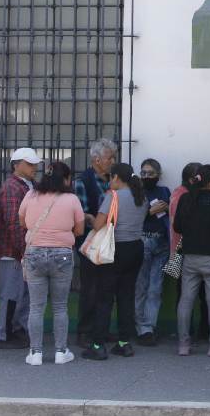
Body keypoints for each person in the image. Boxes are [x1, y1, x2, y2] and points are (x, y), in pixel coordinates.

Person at [18, 161, 85, 365]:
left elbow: (22, 221)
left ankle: (35, 353)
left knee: (36, 307)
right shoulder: (71, 199)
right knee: (59, 307)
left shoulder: (30, 195)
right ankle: (60, 352)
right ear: (65, 179)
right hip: (62, 255)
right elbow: (80, 230)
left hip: (35, 253)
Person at [82, 162, 146, 361]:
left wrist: (90, 218)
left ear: (117, 177)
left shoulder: (113, 196)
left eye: (111, 177)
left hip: (114, 250)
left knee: (104, 298)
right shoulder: (141, 197)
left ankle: (98, 345)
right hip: (135, 248)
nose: (110, 181)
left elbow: (101, 224)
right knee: (127, 297)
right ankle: (124, 343)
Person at [174, 163, 210, 357]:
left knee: (186, 300)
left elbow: (178, 227)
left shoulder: (185, 198)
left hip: (190, 256)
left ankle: (183, 344)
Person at [0, 147, 39, 349]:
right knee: (12, 293)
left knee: (23, 293)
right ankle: (3, 335)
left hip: (21, 248)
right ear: (16, 165)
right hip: (13, 250)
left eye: (34, 164)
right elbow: (13, 222)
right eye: (29, 164)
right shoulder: (13, 186)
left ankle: (16, 329)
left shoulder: (27, 185)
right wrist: (24, 249)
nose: (34, 167)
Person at [73, 138, 116, 345]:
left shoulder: (112, 180)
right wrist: (97, 218)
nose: (112, 161)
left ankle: (101, 330)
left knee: (106, 288)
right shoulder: (83, 181)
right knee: (89, 288)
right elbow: (82, 215)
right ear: (96, 159)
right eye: (109, 157)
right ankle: (84, 331)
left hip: (110, 240)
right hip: (90, 243)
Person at [171, 162, 209, 343]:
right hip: (183, 249)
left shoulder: (178, 193)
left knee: (187, 293)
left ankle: (189, 333)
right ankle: (192, 332)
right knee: (192, 294)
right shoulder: (184, 195)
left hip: (178, 248)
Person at [135, 158, 171, 346]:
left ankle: (150, 326)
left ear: (158, 175)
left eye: (150, 173)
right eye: (143, 173)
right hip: (143, 241)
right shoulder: (136, 192)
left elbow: (172, 214)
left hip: (162, 244)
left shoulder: (164, 191)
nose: (146, 176)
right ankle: (141, 327)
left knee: (155, 288)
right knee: (141, 286)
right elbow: (130, 218)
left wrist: (168, 208)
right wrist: (149, 211)